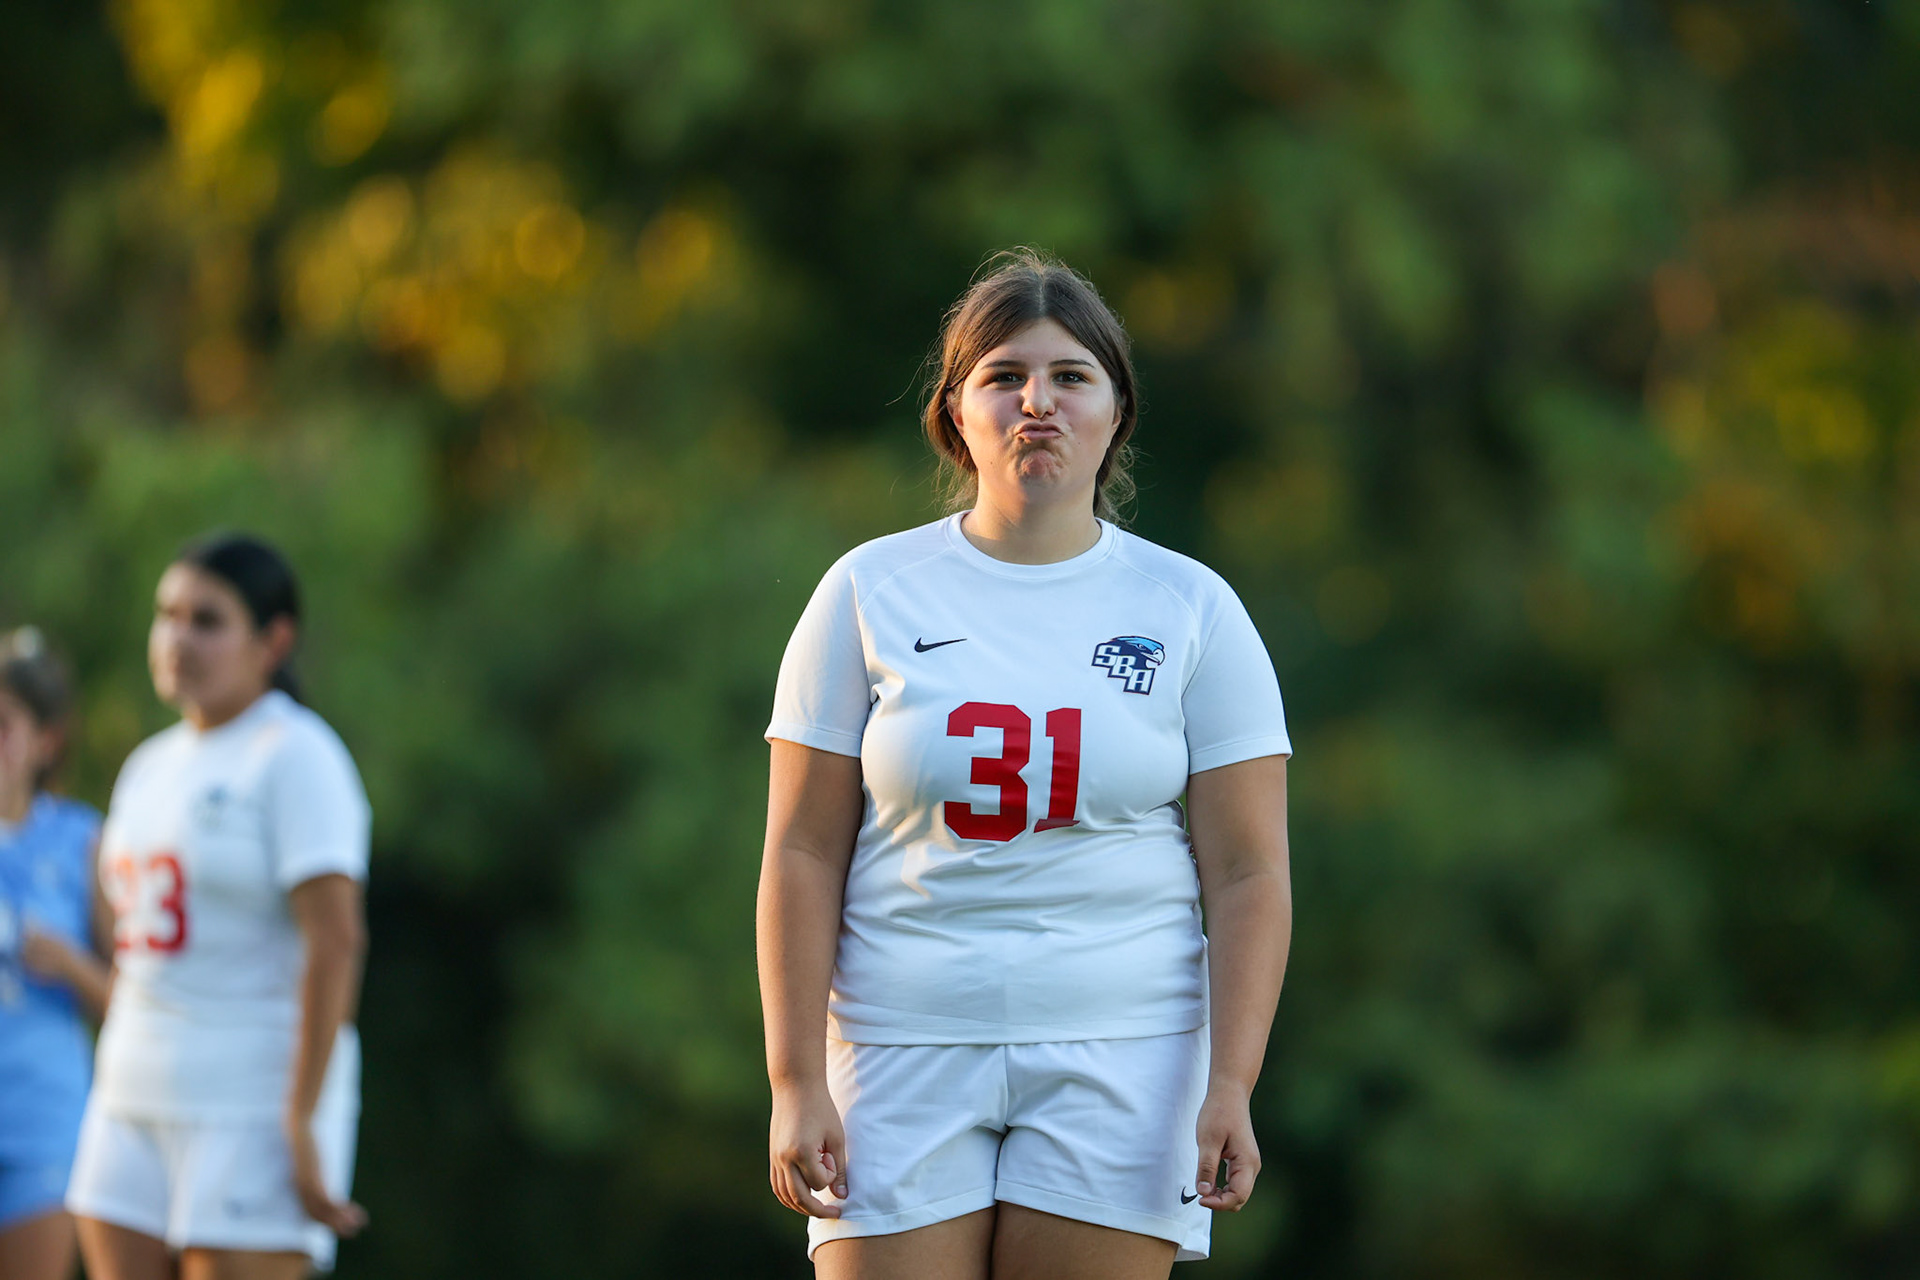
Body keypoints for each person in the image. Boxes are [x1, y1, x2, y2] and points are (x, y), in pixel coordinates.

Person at [759, 249, 1295, 1279]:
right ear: (956, 412)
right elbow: (800, 851)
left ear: (1116, 411)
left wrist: (1230, 1078)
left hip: (1124, 1049)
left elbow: (1248, 873)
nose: (1036, 401)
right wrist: (793, 1078)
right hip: (898, 1042)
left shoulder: (1192, 608)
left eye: (1069, 375)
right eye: (1004, 376)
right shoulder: (868, 590)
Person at [66, 534, 371, 1280]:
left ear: (274, 640)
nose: (178, 638)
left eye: (207, 620)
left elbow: (336, 941)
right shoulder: (149, 767)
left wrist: (302, 1117)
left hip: (248, 1097)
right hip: (132, 1091)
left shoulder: (296, 756)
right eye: (166, 615)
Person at [0, 627, 112, 1280]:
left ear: (46, 741)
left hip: (42, 1120)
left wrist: (69, 964)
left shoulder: (80, 841)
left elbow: (133, 1004)